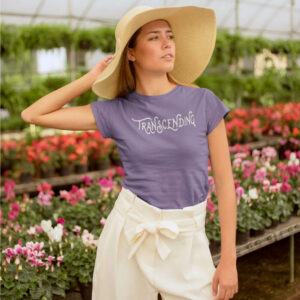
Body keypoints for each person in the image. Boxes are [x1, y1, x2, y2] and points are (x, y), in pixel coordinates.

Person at [21, 5, 238, 300]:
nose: (167, 44)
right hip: (130, 231)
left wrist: (228, 260)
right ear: (131, 53)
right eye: (154, 37)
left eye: (170, 36)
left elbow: (225, 186)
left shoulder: (203, 102)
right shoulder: (116, 111)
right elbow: (33, 114)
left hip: (188, 235)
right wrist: (90, 79)